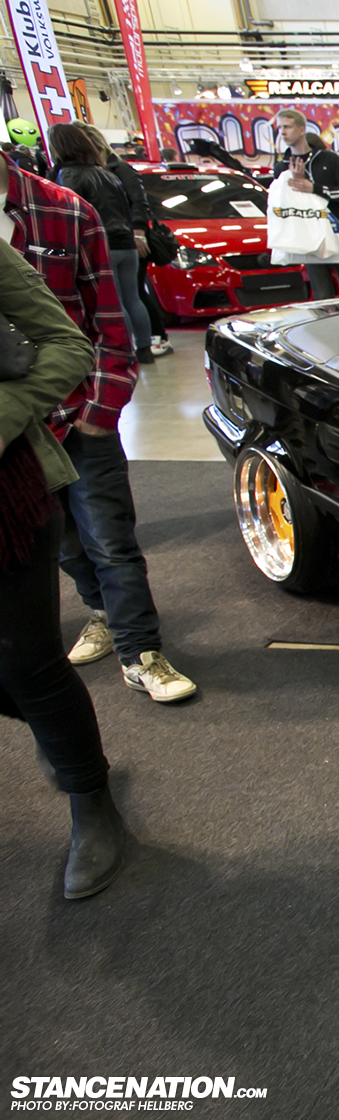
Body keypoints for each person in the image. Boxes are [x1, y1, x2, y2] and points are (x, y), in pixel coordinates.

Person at [1, 151, 197, 702]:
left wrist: (102, 408)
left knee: (110, 539)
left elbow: (108, 314)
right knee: (60, 542)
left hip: (77, 410)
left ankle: (141, 651)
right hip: (18, 434)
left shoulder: (63, 209)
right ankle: (101, 614)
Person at [0, 236, 127, 898]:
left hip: (7, 494)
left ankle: (90, 797)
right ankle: (57, 735)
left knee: (29, 664)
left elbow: (69, 344)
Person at [45, 125, 150, 367]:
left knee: (114, 303)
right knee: (133, 298)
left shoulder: (68, 175)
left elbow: (70, 215)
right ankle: (144, 347)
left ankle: (125, 351)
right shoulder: (109, 174)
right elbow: (130, 205)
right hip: (125, 242)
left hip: (100, 245)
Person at [273, 111, 339, 301]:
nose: (282, 132)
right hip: (309, 239)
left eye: (287, 127)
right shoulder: (282, 166)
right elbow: (280, 203)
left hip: (338, 235)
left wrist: (315, 188)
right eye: (279, 127)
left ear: (301, 129)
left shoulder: (329, 159)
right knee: (322, 297)